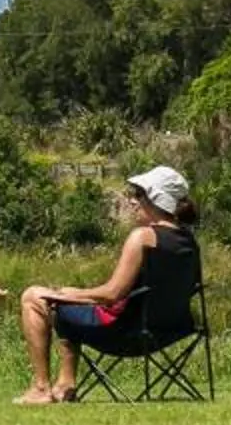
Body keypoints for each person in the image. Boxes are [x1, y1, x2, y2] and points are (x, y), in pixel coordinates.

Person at [16, 165, 195, 405]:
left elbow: (112, 294)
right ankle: (65, 384)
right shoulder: (188, 242)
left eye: (138, 195)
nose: (132, 202)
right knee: (67, 308)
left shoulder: (142, 237)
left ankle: (40, 388)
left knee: (33, 297)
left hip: (124, 332)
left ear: (155, 199)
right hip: (170, 330)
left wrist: (72, 293)